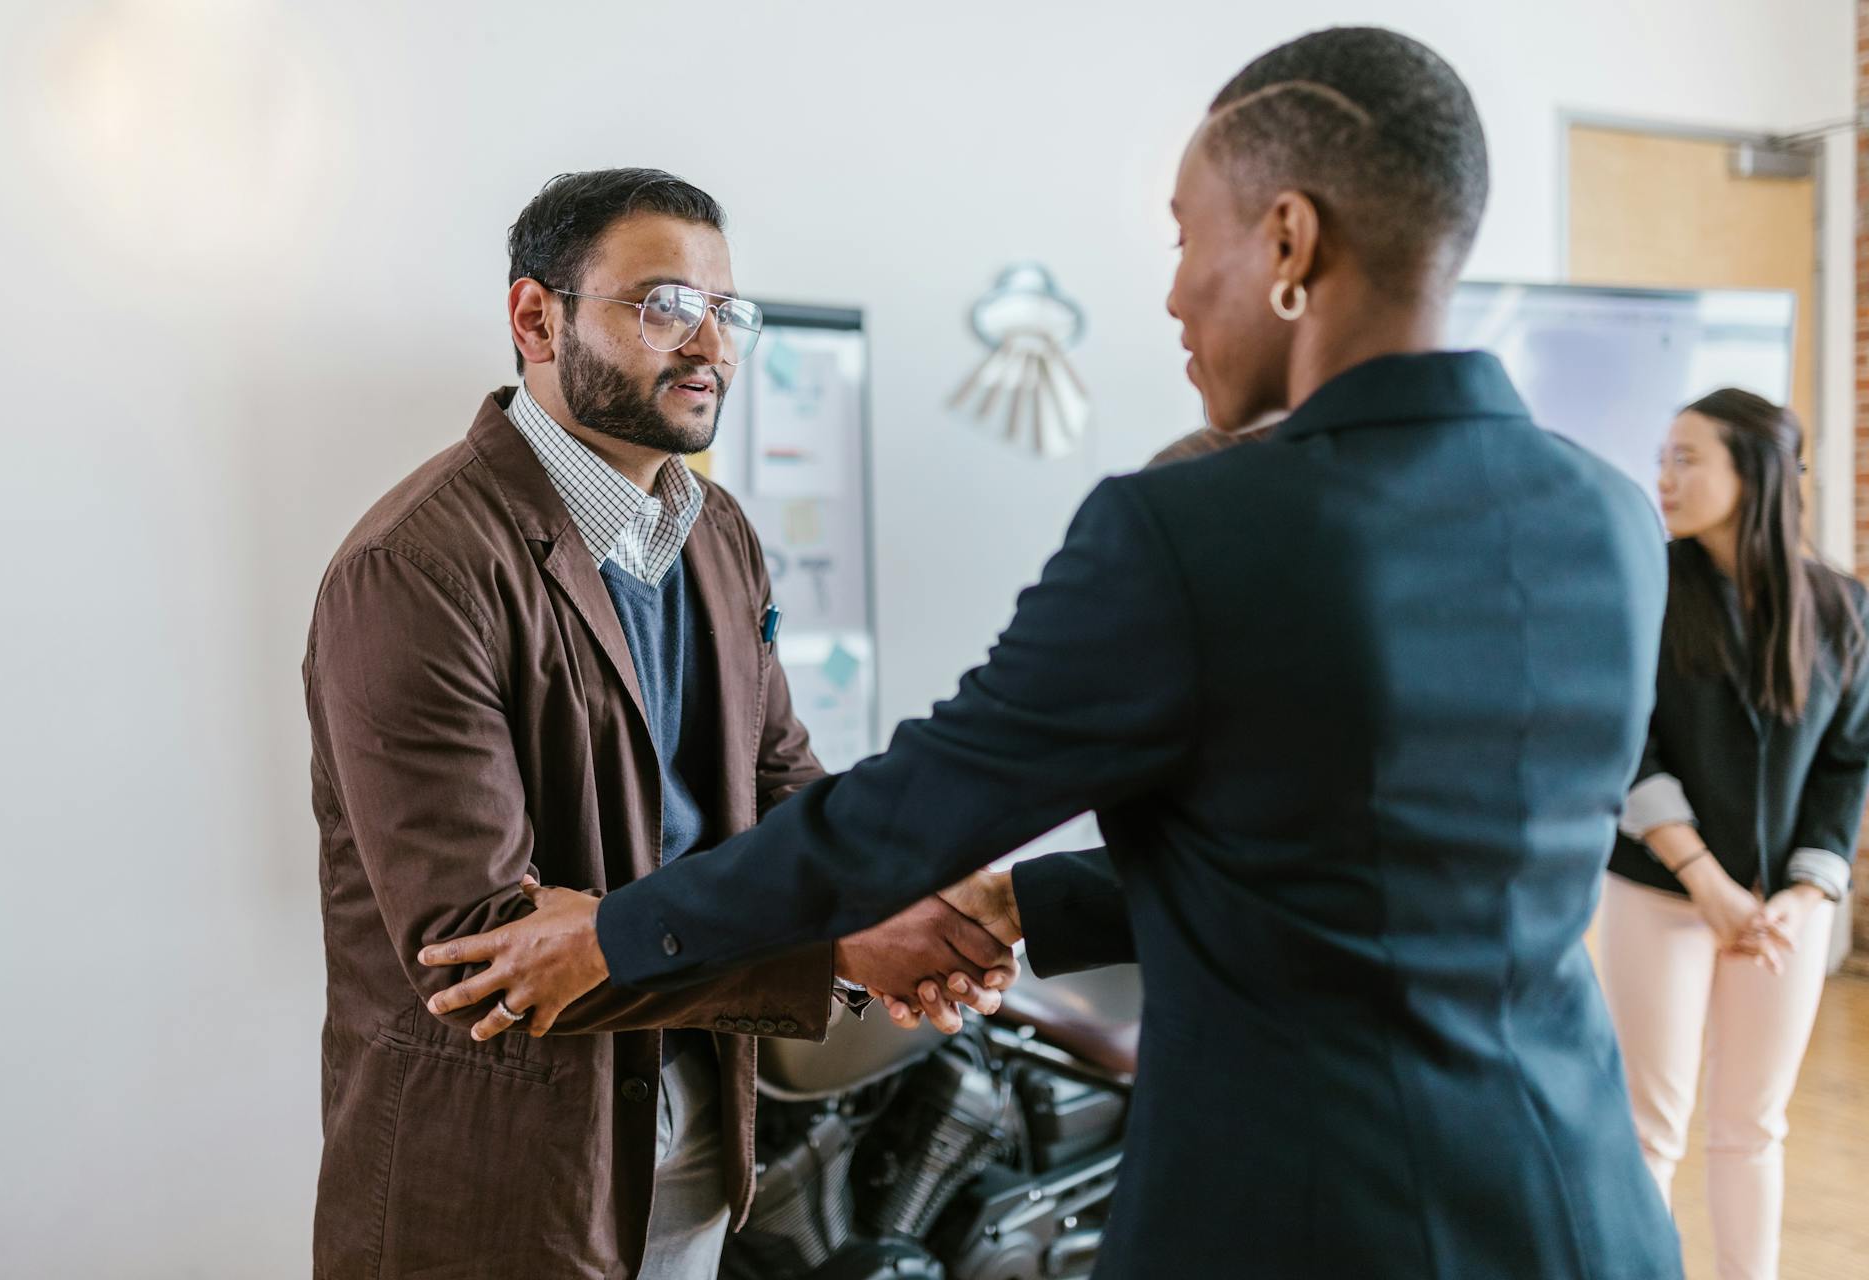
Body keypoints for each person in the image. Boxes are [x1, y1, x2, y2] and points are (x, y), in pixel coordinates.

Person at [420, 31, 1684, 1278]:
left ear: (1290, 242)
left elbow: (909, 811)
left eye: (1189, 239)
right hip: (1581, 1204)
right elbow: (1359, 864)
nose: (1177, 292)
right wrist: (1022, 902)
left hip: (1310, 1216)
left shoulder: (1198, 529)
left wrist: (617, 932)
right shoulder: (1612, 516)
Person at [303, 168, 1012, 1280]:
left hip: (693, 1155)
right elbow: (480, 938)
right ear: (535, 317)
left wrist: (890, 895)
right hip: (500, 1188)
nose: (711, 346)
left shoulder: (716, 530)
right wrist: (833, 942)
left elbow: (782, 784)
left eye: (728, 313)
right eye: (664, 305)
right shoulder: (417, 567)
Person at [1596, 389, 1868, 1280]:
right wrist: (1705, 878)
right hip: (1662, 890)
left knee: (1754, 1127)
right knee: (1651, 1125)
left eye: (1687, 457)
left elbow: (1847, 760)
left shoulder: (1841, 607)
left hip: (1786, 911)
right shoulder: (1645, 583)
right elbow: (1625, 739)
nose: (1663, 477)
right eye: (1664, 455)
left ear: (1752, 474)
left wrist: (1808, 889)